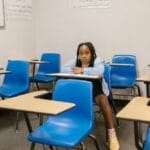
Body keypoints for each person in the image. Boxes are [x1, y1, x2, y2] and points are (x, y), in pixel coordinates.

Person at [61, 42, 120, 150]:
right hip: (82, 92)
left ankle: (112, 134)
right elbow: (63, 68)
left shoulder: (97, 61)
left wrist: (83, 70)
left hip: (96, 90)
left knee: (103, 100)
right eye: (81, 53)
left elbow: (100, 70)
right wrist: (74, 70)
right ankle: (69, 128)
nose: (83, 55)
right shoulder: (76, 61)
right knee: (67, 98)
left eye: (86, 53)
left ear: (92, 53)